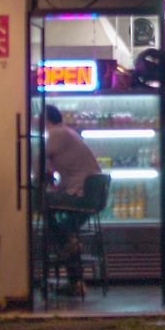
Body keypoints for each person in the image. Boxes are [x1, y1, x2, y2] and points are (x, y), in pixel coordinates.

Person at [44, 105, 103, 293]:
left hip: (83, 195)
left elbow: (38, 160)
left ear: (46, 120)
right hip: (90, 194)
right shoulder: (67, 133)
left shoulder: (56, 133)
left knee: (47, 210)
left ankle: (68, 254)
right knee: (67, 232)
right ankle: (75, 281)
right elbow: (67, 172)